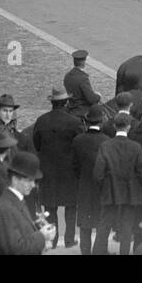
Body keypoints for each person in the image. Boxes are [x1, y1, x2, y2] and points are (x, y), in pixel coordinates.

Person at [33, 88, 84, 248]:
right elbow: (79, 146)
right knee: (71, 207)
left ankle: (52, 240)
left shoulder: (41, 121)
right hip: (69, 171)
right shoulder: (75, 122)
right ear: (66, 102)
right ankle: (69, 239)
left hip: (48, 171)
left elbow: (37, 144)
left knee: (50, 207)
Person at [92, 111, 142, 255]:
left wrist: (103, 188)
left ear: (114, 126)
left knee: (104, 225)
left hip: (110, 191)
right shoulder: (136, 147)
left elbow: (98, 173)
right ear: (129, 127)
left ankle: (98, 252)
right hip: (130, 192)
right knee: (127, 227)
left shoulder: (105, 145)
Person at [0, 151, 54, 254]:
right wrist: (42, 236)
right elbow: (17, 250)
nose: (33, 185)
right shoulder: (6, 208)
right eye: (29, 180)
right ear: (15, 180)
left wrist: (36, 226)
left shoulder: (15, 200)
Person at [73, 103, 111, 255]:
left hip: (84, 185)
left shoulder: (78, 140)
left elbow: (74, 166)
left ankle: (85, 252)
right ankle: (100, 251)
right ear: (101, 122)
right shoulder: (107, 141)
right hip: (102, 187)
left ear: (87, 122)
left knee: (85, 223)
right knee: (102, 222)